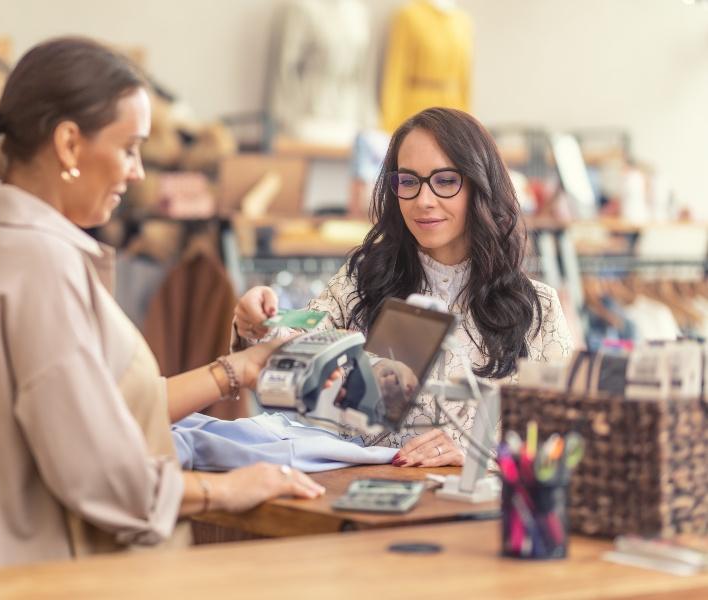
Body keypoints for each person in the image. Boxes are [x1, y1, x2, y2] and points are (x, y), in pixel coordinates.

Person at [0, 37, 326, 570]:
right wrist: (226, 491)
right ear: (68, 144)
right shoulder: (41, 266)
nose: (136, 171)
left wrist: (238, 370)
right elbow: (98, 474)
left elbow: (97, 412)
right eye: (129, 148)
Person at [233, 107, 574, 467]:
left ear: (480, 184)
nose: (423, 200)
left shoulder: (538, 307)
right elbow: (297, 347)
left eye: (445, 180)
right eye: (408, 182)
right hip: (365, 502)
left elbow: (562, 440)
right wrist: (257, 324)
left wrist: (479, 458)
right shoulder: (363, 280)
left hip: (477, 515)